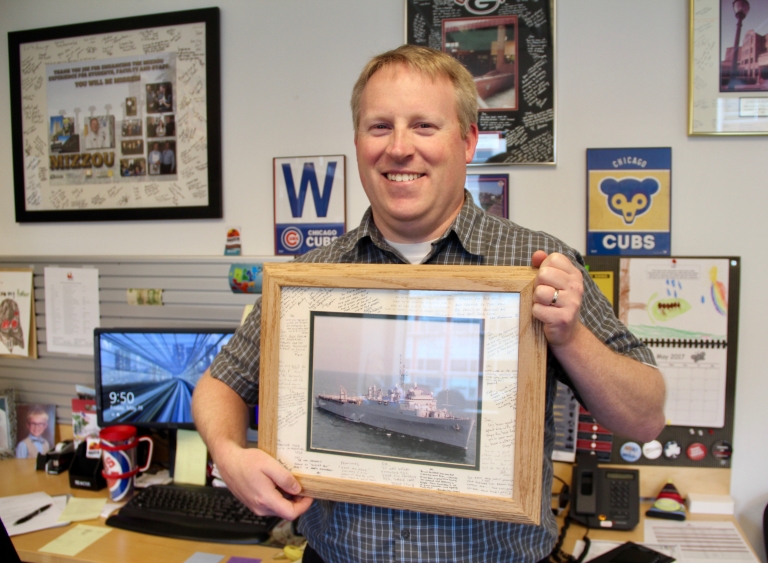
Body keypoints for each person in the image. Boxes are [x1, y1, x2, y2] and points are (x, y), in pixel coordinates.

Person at [192, 45, 666, 563]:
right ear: (357, 142)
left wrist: (570, 337)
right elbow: (220, 383)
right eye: (379, 127)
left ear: (467, 141)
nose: (399, 148)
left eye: (423, 126)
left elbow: (645, 420)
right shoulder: (308, 279)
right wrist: (230, 455)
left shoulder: (539, 270)